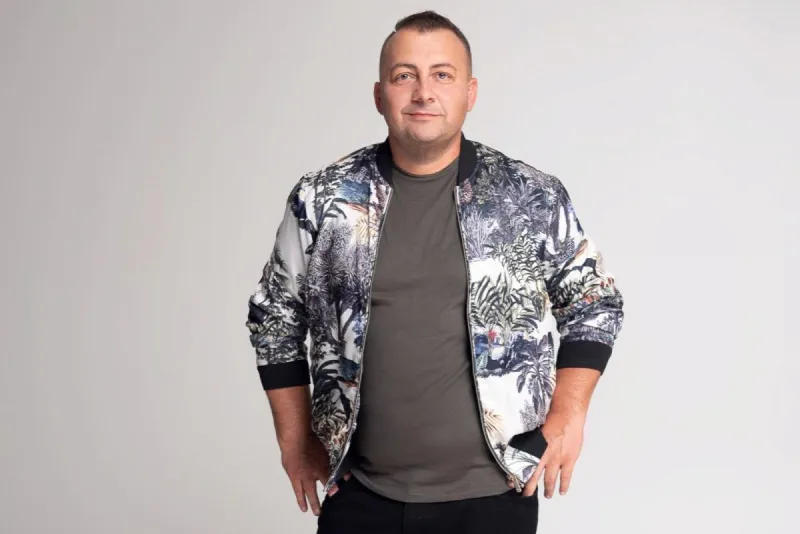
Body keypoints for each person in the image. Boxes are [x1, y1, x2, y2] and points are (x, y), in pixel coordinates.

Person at [245, 10, 624, 533]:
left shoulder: (528, 196)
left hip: (493, 497)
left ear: (470, 92)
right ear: (379, 95)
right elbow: (275, 318)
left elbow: (594, 303)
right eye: (405, 75)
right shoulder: (324, 198)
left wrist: (568, 415)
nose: (423, 92)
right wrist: (294, 440)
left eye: (442, 75)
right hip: (360, 496)